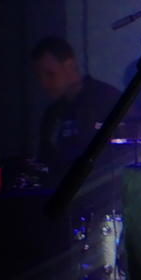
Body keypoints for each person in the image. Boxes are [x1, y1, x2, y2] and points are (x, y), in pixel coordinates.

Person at [32, 36, 121, 182]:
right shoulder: (52, 114)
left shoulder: (107, 99)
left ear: (70, 65)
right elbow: (45, 162)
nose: (44, 84)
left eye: (50, 74)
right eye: (39, 77)